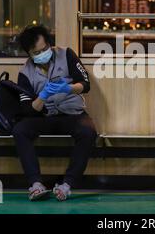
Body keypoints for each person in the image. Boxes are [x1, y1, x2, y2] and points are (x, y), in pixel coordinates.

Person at [14, 25, 97, 202]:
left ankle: (67, 185)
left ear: (50, 44)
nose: (42, 54)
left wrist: (69, 88)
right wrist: (42, 97)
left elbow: (86, 83)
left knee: (88, 131)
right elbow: (27, 110)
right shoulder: (25, 73)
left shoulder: (66, 54)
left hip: (72, 114)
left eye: (45, 49)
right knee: (20, 130)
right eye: (37, 52)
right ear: (29, 54)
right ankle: (35, 185)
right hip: (45, 117)